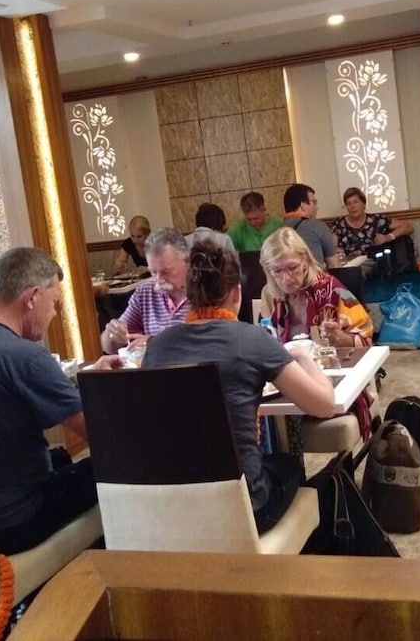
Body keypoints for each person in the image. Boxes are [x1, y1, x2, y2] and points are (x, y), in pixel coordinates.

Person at [0, 247, 123, 554]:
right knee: (116, 463)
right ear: (32, 298)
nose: (54, 314)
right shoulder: (24, 355)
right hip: (15, 519)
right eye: (53, 303)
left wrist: (84, 377)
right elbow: (100, 436)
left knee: (61, 459)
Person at [143, 242, 335, 533]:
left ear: (188, 294)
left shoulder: (157, 347)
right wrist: (304, 358)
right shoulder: (253, 340)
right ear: (236, 293)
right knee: (289, 465)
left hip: (175, 507)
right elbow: (324, 405)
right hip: (245, 509)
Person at [260, 227, 373, 437]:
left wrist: (342, 338)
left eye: (292, 267)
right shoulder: (270, 296)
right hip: (288, 385)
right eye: (277, 271)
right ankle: (283, 457)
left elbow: (366, 338)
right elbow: (265, 339)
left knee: (273, 425)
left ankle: (287, 454)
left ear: (305, 261)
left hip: (329, 384)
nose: (286, 278)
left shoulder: (332, 289)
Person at [101, 227, 191, 354]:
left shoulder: (205, 291)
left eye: (166, 271)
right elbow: (108, 347)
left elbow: (209, 343)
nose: (159, 280)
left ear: (187, 262)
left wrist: (154, 343)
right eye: (153, 272)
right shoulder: (145, 292)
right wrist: (112, 335)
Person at [331, 186, 413, 259]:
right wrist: (337, 251)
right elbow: (332, 247)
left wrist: (388, 237)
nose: (352, 206)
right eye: (349, 203)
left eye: (356, 202)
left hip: (373, 261)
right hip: (350, 264)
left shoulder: (376, 220)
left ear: (364, 204)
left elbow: (407, 227)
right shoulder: (339, 224)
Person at [279, 183, 341, 268]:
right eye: (314, 202)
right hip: (314, 276)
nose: (317, 207)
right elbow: (334, 265)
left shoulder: (273, 233)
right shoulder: (317, 226)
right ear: (302, 205)